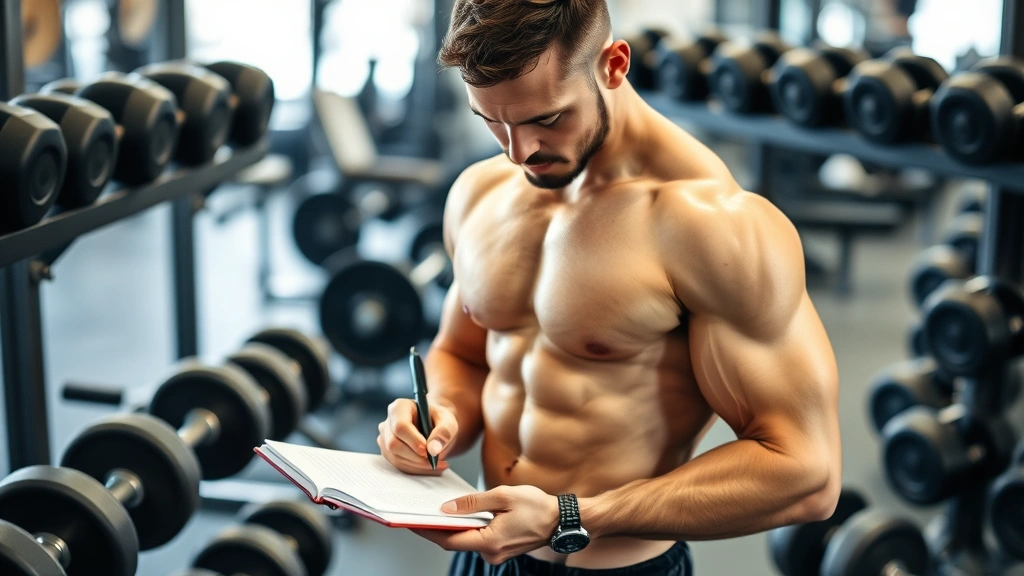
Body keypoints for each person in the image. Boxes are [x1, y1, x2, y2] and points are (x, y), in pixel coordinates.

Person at [376, 1, 842, 574]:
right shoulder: (481, 193)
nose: (518, 151)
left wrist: (571, 515)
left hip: (618, 566)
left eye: (546, 119)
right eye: (491, 121)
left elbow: (805, 471)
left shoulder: (712, 224)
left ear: (613, 65)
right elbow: (464, 354)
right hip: (485, 554)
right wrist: (437, 418)